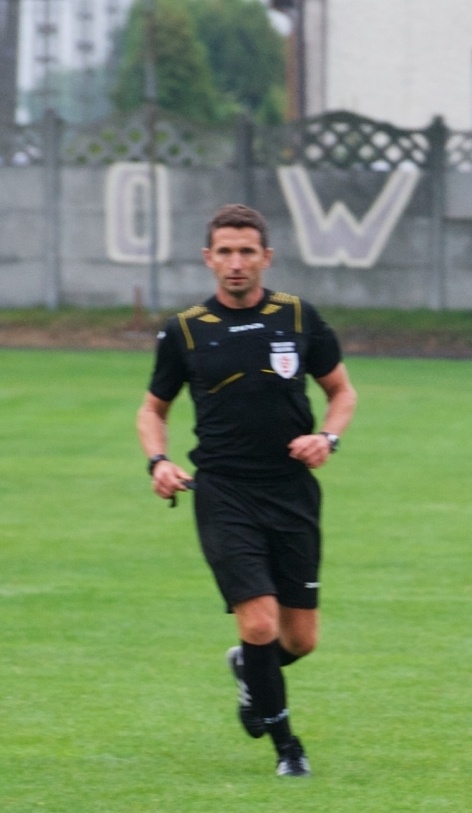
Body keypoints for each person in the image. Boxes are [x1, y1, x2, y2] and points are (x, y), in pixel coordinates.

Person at [136, 204, 357, 778]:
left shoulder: (299, 317)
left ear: (266, 257)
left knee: (299, 639)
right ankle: (288, 749)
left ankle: (249, 669)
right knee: (258, 623)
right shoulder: (185, 331)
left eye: (247, 251)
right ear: (208, 259)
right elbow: (153, 410)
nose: (236, 262)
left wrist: (327, 438)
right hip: (224, 493)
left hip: (291, 491)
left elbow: (342, 392)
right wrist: (158, 462)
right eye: (226, 252)